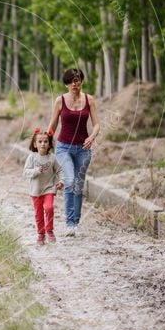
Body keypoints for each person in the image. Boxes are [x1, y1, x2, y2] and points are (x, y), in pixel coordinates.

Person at [48, 68, 100, 236]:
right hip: (63, 147)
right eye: (70, 81)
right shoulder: (59, 101)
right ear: (66, 84)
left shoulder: (89, 99)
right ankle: (70, 223)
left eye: (77, 80)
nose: (74, 83)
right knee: (69, 181)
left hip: (83, 149)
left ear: (81, 81)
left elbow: (97, 124)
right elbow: (53, 125)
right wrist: (44, 142)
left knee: (78, 186)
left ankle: (75, 222)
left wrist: (92, 137)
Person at [23, 128, 63, 245]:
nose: (43, 144)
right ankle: (41, 234)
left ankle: (49, 230)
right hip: (35, 190)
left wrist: (62, 181)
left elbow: (60, 170)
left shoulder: (52, 158)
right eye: (40, 142)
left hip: (49, 188)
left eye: (45, 141)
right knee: (38, 213)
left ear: (49, 144)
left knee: (49, 208)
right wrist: (35, 171)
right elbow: (25, 172)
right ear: (35, 144)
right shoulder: (32, 157)